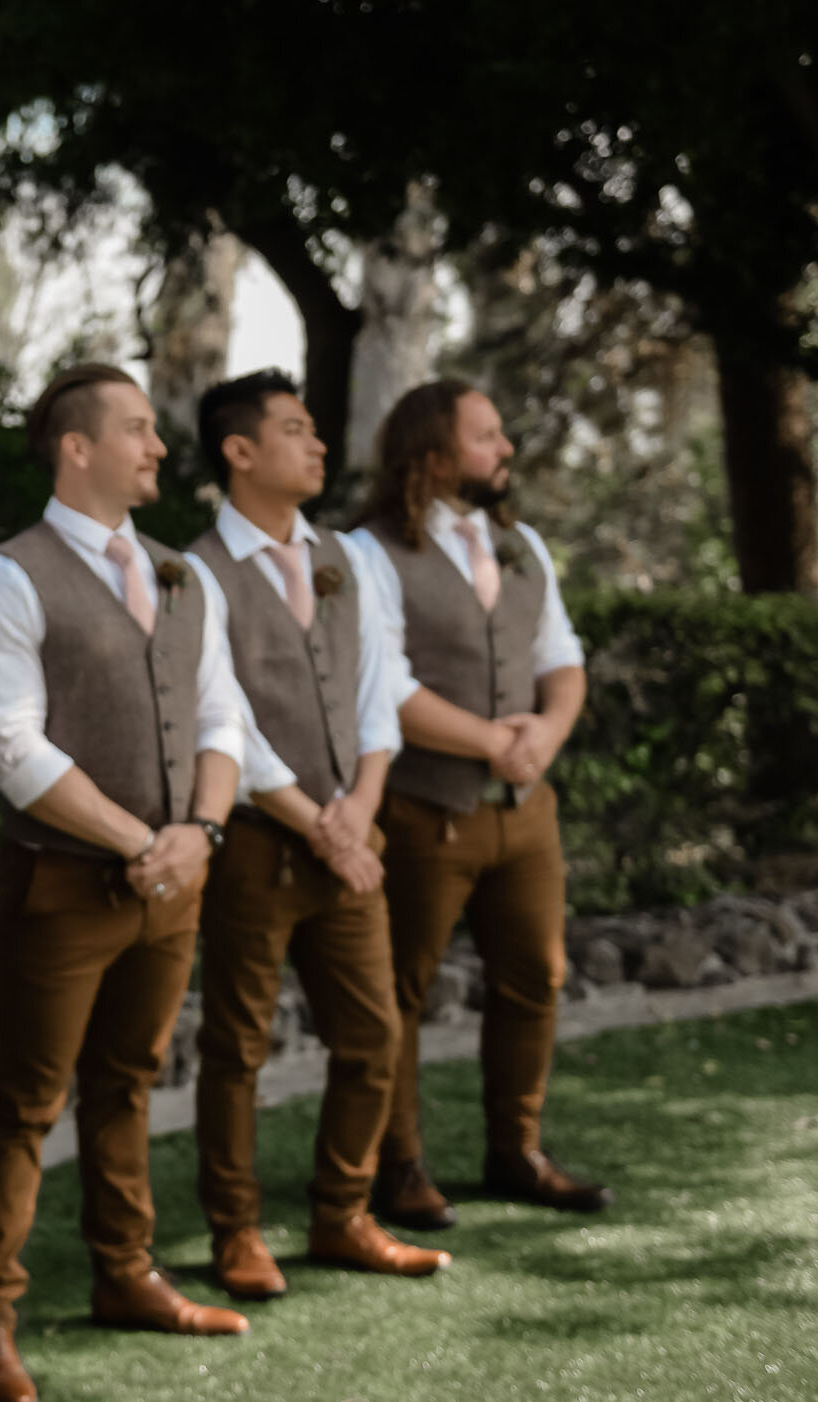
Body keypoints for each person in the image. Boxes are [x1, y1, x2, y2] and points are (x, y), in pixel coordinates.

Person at [0, 364, 251, 1402]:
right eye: (137, 429)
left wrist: (200, 833)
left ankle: (126, 1272)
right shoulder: (11, 577)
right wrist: (144, 841)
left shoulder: (185, 575)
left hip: (174, 881)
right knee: (27, 1099)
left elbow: (222, 717)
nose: (159, 447)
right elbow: (12, 746)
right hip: (64, 886)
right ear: (77, 448)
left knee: (130, 1080)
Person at [182, 370, 450, 1296]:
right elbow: (224, 715)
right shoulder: (198, 572)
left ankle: (343, 1213)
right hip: (257, 841)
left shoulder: (347, 558)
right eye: (295, 429)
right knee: (238, 1047)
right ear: (240, 451)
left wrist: (361, 811)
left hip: (351, 833)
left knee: (374, 1032)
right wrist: (315, 822)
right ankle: (236, 1232)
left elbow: (377, 689)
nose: (318, 444)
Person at [349, 379, 612, 1233]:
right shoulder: (369, 553)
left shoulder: (522, 544)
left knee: (536, 977)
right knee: (401, 990)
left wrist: (546, 733)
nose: (505, 450)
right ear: (432, 454)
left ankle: (517, 1152)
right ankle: (399, 1166)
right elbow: (384, 686)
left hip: (525, 814)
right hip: (423, 810)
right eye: (487, 436)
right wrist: (492, 740)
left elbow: (561, 657)